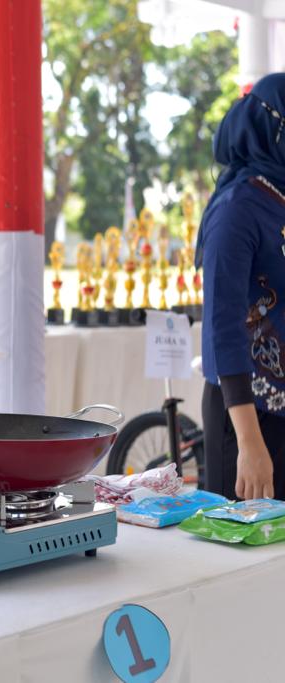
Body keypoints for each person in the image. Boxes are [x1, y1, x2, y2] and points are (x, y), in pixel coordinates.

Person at [199, 72, 285, 501]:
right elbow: (223, 327)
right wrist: (250, 444)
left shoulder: (279, 199)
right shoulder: (236, 209)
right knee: (245, 539)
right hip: (247, 417)